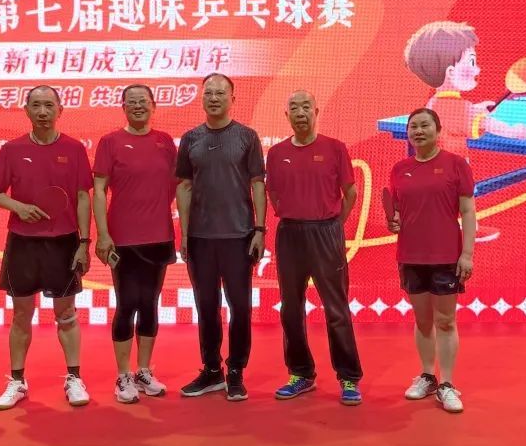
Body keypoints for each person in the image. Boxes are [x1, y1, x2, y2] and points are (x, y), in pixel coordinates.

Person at [0, 85, 93, 410]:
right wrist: (18, 207)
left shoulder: (74, 149)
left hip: (63, 242)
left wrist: (85, 242)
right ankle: (17, 381)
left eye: (49, 105)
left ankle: (74, 378)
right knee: (21, 315)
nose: (43, 112)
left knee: (66, 314)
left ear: (60, 110)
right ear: (27, 111)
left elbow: (82, 197)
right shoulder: (12, 149)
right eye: (36, 105)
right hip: (22, 242)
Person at [266, 90, 363, 406]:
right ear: (287, 116)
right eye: (293, 107)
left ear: (316, 111)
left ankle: (348, 378)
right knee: (290, 308)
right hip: (290, 235)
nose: (300, 112)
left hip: (326, 233)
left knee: (336, 309)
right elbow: (274, 195)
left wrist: (333, 223)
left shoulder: (335, 148)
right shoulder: (277, 153)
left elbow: (350, 192)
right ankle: (301, 373)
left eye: (306, 106)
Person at [176, 73, 266, 402]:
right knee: (206, 306)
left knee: (239, 307)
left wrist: (259, 230)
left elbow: (258, 184)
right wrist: (184, 233)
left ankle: (236, 371)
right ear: (202, 98)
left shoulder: (247, 136)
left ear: (232, 98)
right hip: (200, 238)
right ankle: (212, 370)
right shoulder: (191, 139)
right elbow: (184, 186)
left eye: (220, 93)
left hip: (238, 236)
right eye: (208, 93)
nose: (214, 98)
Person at [404, 21, 526, 242]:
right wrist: (514, 131)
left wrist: (476, 108)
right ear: (451, 72)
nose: (477, 69)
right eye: (471, 62)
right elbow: (487, 124)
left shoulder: (434, 103)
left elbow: (457, 117)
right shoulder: (461, 109)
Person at [387, 108, 476, 413]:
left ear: (438, 131)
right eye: (413, 127)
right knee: (423, 321)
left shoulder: (456, 164)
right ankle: (427, 376)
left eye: (425, 126)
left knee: (445, 321)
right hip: (411, 255)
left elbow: (468, 211)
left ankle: (447, 384)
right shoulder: (400, 169)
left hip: (446, 256)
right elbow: (399, 211)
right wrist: (394, 222)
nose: (419, 131)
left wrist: (467, 254)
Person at [94, 84, 177, 404]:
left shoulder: (165, 142)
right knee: (127, 302)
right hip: (123, 239)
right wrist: (103, 234)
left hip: (159, 236)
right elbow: (98, 190)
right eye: (132, 102)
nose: (138, 106)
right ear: (123, 107)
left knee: (150, 303)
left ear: (154, 105)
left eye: (144, 101)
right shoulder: (110, 142)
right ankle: (123, 375)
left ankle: (143, 370)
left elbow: (175, 187)